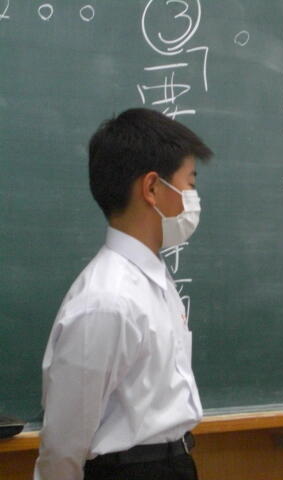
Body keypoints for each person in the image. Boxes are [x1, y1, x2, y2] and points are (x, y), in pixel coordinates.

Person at [34, 108, 213, 480]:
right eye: (189, 183)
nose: (193, 198)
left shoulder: (152, 279)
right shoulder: (108, 299)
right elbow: (64, 441)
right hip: (130, 470)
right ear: (152, 189)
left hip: (173, 463)